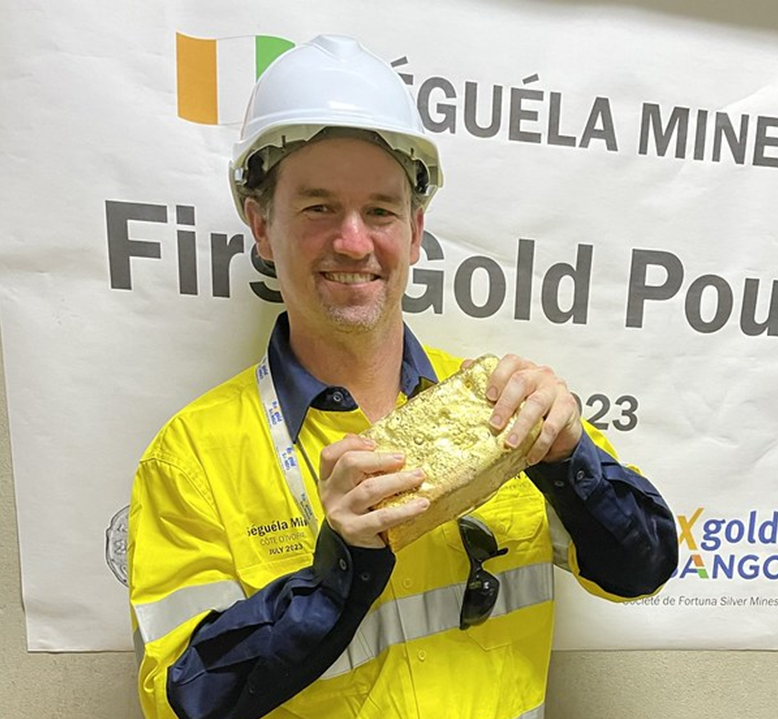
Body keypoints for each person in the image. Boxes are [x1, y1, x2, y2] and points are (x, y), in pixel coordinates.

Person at [128, 35, 678, 719]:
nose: (354, 241)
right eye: (318, 207)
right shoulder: (191, 458)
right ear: (261, 227)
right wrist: (339, 572)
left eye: (381, 211)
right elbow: (187, 697)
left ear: (416, 231)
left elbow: (641, 569)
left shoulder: (499, 399)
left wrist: (570, 458)